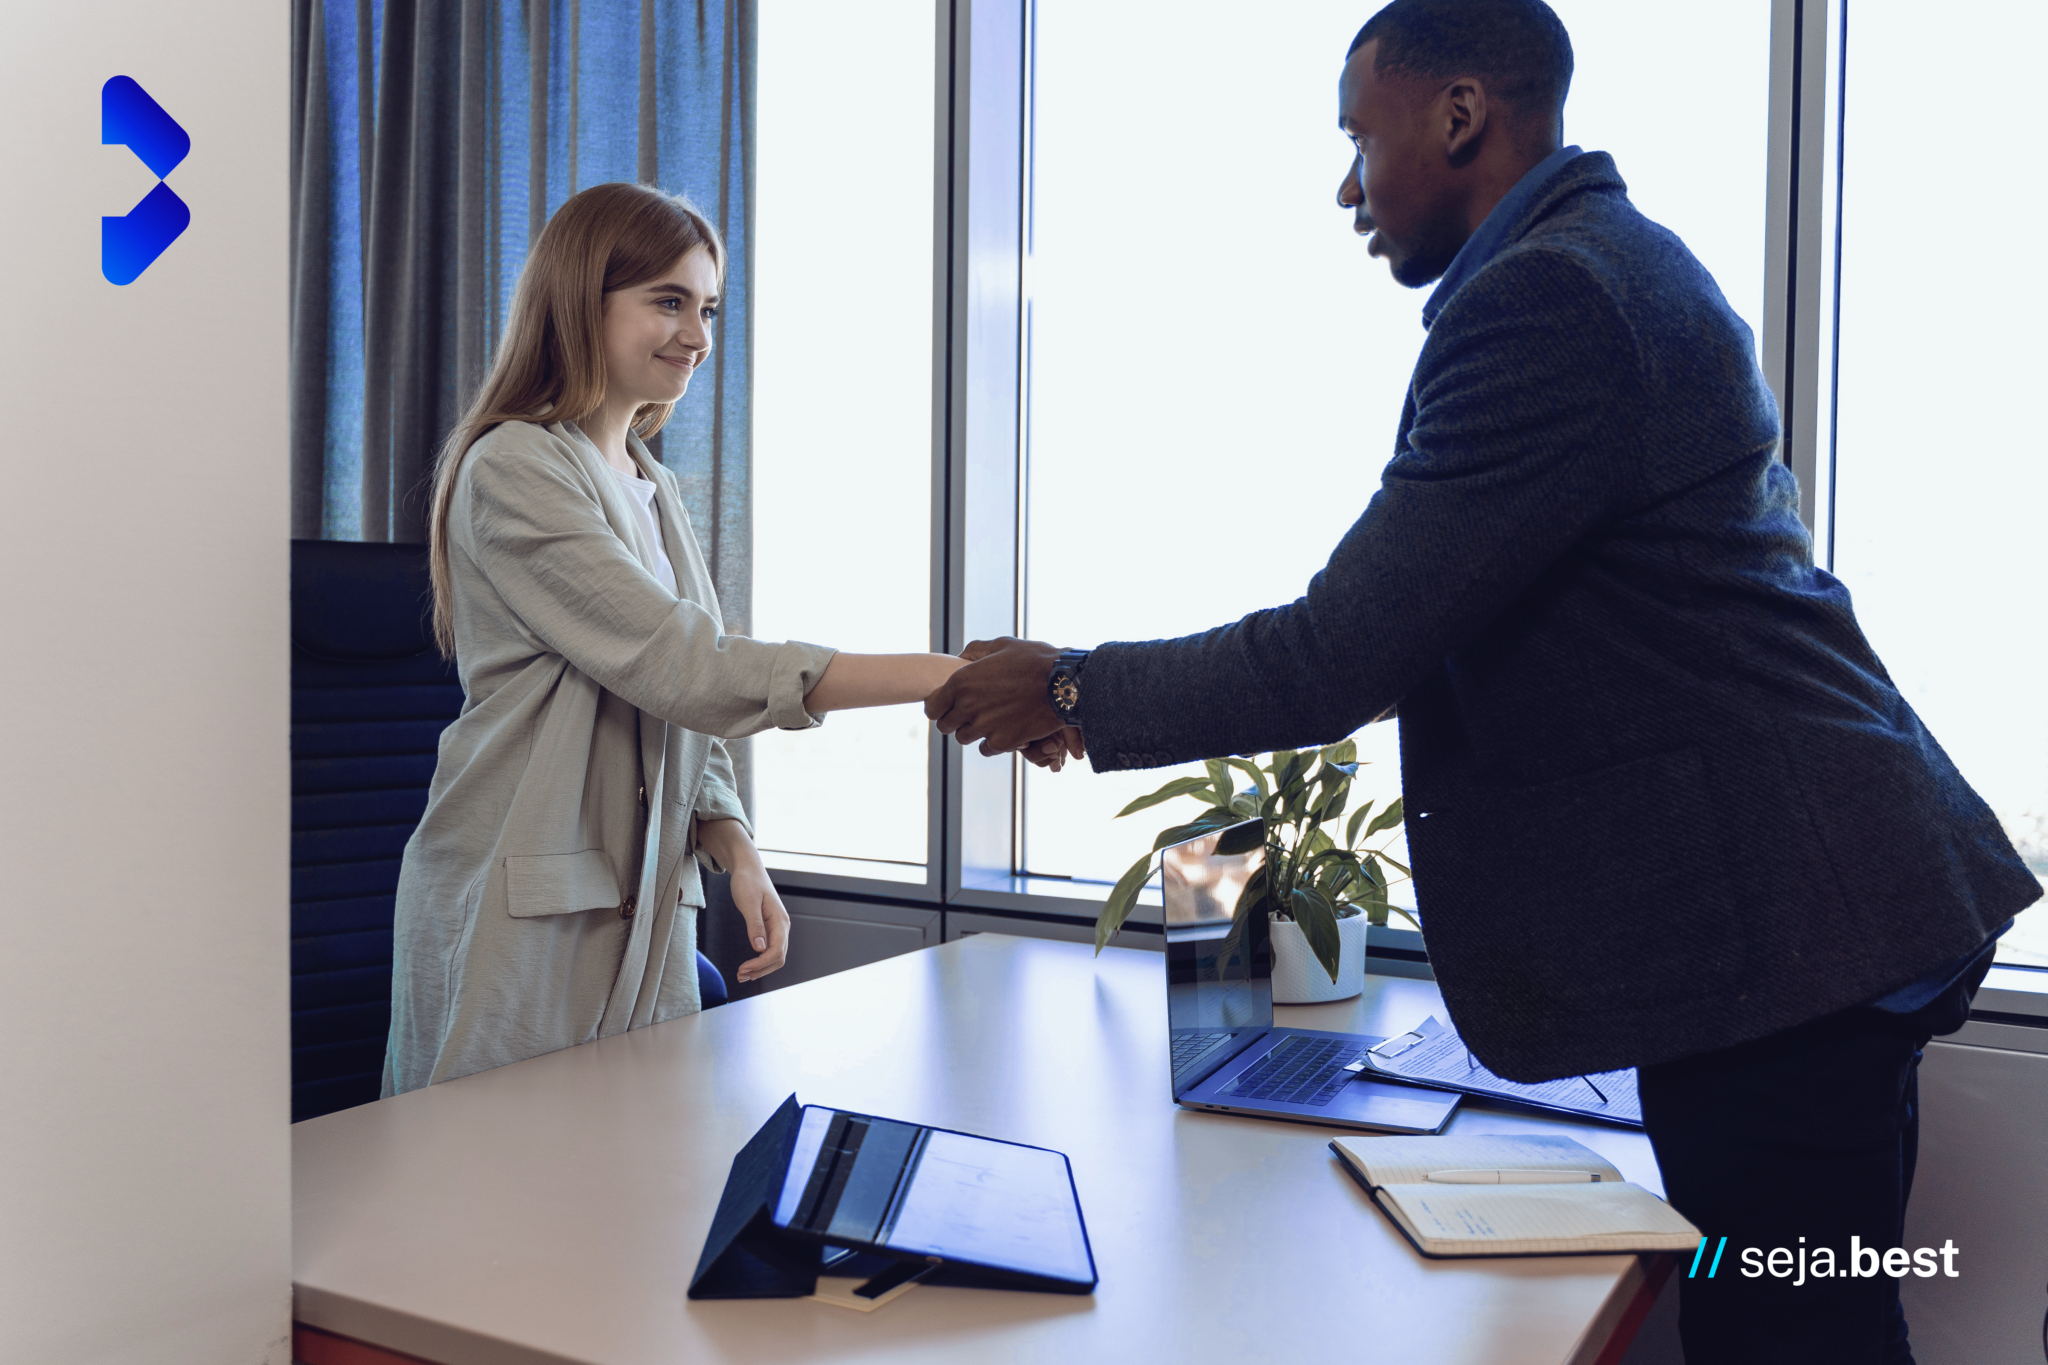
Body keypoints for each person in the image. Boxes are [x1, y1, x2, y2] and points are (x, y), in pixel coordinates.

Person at [923, 3, 2040, 1362]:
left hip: (1796, 926)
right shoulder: (1604, 265)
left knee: (1787, 1331)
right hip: (1827, 904)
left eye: (1359, 139)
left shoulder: (1552, 299)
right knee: (1800, 1310)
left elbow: (1348, 646)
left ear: (1457, 116)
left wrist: (1076, 691)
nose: (1348, 189)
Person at [386, 183, 962, 1096]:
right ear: (580, 298)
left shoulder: (651, 484)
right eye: (667, 301)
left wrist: (734, 842)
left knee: (632, 1184)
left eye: (707, 308)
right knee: (486, 1196)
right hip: (520, 902)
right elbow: (687, 666)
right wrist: (944, 678)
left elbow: (670, 700)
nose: (696, 335)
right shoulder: (515, 466)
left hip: (647, 905)